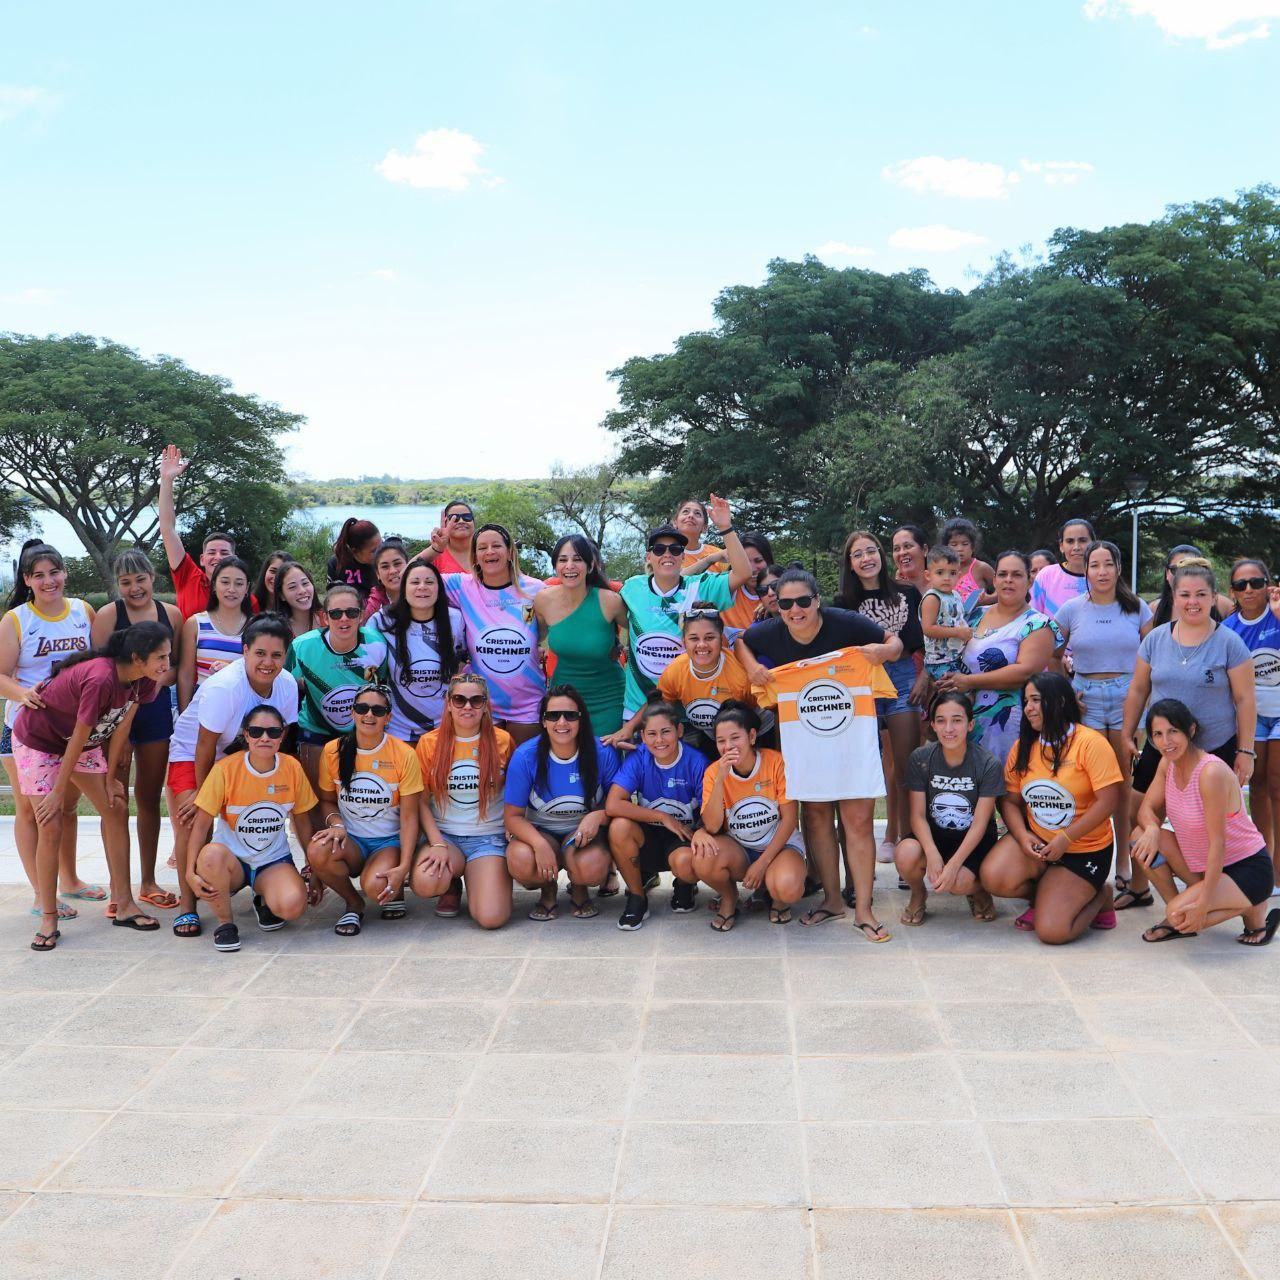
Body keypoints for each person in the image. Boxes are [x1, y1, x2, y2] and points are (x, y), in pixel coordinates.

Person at [738, 567, 901, 932]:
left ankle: (863, 907)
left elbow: (895, 642)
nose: (795, 610)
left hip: (853, 736)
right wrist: (752, 668)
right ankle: (831, 900)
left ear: (817, 600)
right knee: (816, 819)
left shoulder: (846, 623)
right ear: (776, 606)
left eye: (803, 602)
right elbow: (740, 641)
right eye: (785, 603)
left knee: (857, 821)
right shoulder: (770, 632)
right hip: (804, 741)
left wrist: (885, 650)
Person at [13, 622, 171, 949]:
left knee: (115, 808)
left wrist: (111, 777)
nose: (166, 665)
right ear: (137, 657)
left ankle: (124, 904)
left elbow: (121, 726)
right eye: (160, 657)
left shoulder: (145, 681)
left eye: (168, 656)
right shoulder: (101, 678)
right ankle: (48, 916)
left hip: (79, 743)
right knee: (50, 822)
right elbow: (81, 733)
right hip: (40, 741)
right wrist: (57, 793)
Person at [166, 616, 300, 938]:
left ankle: (261, 888)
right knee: (193, 819)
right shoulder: (225, 687)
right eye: (260, 653)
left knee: (257, 814)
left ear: (286, 656)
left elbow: (286, 739)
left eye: (277, 655)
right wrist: (202, 798)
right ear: (244, 651)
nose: (268, 662)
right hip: (193, 754)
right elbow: (204, 745)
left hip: (246, 755)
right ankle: (188, 905)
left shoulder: (287, 685)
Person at [981, 674, 1124, 943]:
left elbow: (1109, 801)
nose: (1028, 708)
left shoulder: (1090, 743)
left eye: (1036, 700)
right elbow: (1010, 802)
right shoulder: (1023, 746)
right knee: (993, 877)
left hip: (1084, 850)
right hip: (1040, 845)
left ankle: (1100, 896)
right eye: (1026, 701)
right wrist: (1023, 837)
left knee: (1053, 932)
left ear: (1058, 701)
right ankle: (1050, 894)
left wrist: (1066, 838)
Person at [0, 540, 101, 918]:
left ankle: (70, 880)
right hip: (26, 729)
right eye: (39, 575)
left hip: (75, 729)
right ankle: (43, 894)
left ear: (65, 573)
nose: (48, 581)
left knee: (69, 806)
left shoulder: (82, 611)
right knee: (32, 812)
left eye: (54, 572)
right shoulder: (16, 620)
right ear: (27, 580)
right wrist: (24, 693)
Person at [1053, 540, 1153, 908]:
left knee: (1124, 785)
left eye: (1107, 564)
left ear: (1118, 568)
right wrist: (1065, 690)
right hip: (1087, 697)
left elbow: (1152, 656)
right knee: (1093, 787)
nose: (1101, 572)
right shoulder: (1071, 609)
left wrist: (1145, 703)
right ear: (1086, 570)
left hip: (1128, 696)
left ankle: (1125, 864)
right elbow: (1052, 652)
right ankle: (1093, 863)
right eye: (1094, 565)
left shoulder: (1138, 609)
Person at [1133, 699, 1278, 946]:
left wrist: (1202, 906)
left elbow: (1218, 844)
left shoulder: (1210, 773)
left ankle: (1252, 903)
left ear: (1191, 730)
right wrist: (1153, 828)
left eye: (1173, 731)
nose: (1165, 742)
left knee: (1179, 914)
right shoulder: (1167, 763)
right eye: (1157, 734)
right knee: (1139, 836)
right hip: (1208, 865)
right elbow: (1146, 808)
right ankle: (1190, 914)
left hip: (1247, 868)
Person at [1122, 562, 1255, 819]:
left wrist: (1246, 751)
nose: (1192, 602)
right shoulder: (1155, 639)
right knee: (1140, 819)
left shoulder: (1230, 643)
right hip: (1160, 745)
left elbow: (1245, 698)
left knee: (1210, 828)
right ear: (1174, 597)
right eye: (1185, 595)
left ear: (1214, 597)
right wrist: (1127, 734)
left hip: (1215, 746)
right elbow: (1138, 690)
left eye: (1201, 594)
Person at [90, 549, 183, 911]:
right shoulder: (108, 615)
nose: (135, 588)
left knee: (147, 798)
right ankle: (119, 891)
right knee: (114, 802)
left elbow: (176, 666)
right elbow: (99, 671)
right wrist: (117, 731)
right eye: (126, 583)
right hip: (115, 713)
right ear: (118, 585)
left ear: (152, 578)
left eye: (140, 580)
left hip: (155, 710)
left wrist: (158, 681)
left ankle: (147, 882)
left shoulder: (170, 614)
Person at [186, 705, 317, 952]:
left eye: (272, 731)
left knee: (293, 906)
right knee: (212, 855)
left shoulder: (292, 767)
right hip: (231, 861)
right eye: (256, 731)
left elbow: (301, 820)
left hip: (272, 860)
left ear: (282, 735)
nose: (264, 738)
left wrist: (315, 867)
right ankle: (225, 924)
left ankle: (263, 897)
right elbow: (201, 823)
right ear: (246, 735)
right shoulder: (226, 769)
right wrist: (189, 872)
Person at [619, 496, 752, 720]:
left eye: (675, 549)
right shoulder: (632, 587)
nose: (667, 554)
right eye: (659, 549)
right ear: (649, 557)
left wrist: (725, 527)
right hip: (638, 709)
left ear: (683, 556)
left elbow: (743, 573)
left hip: (688, 709)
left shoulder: (701, 587)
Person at [837, 530, 927, 857]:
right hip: (863, 683)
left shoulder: (906, 592)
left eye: (871, 551)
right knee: (865, 767)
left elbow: (923, 644)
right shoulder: (842, 603)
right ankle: (869, 844)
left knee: (906, 765)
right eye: (858, 554)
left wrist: (924, 677)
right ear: (849, 563)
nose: (866, 558)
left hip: (904, 677)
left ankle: (906, 841)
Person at [308, 683, 422, 935]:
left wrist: (403, 866)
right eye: (362, 708)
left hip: (388, 841)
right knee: (317, 851)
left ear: (388, 717)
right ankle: (353, 903)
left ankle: (393, 884)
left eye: (377, 711)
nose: (369, 715)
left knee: (374, 887)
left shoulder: (404, 754)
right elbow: (326, 801)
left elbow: (410, 815)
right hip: (351, 840)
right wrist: (336, 825)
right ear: (352, 713)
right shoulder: (333, 751)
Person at [503, 685, 620, 920]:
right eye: (553, 716)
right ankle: (548, 890)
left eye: (571, 715)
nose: (562, 722)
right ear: (543, 722)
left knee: (592, 866)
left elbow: (620, 806)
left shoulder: (602, 753)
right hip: (541, 830)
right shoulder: (526, 756)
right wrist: (538, 843)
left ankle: (580, 887)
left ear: (581, 719)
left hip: (583, 833)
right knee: (520, 860)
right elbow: (512, 817)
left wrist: (597, 816)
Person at [687, 701, 805, 930]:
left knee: (787, 887)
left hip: (778, 847)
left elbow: (790, 819)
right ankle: (730, 899)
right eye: (721, 741)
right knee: (702, 856)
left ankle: (778, 900)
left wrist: (762, 863)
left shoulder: (775, 762)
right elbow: (712, 826)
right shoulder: (713, 772)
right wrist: (720, 780)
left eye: (735, 738)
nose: (728, 746)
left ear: (751, 736)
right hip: (739, 848)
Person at [936, 551, 1062, 767]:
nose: (1008, 580)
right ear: (994, 580)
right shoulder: (974, 615)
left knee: (1007, 789)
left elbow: (1024, 672)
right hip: (964, 718)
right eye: (1002, 574)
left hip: (1009, 722)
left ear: (1029, 580)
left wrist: (968, 682)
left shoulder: (1038, 624)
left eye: (1017, 574)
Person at [423, 523, 545, 742]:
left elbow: (564, 617)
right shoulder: (462, 586)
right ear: (475, 555)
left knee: (524, 771)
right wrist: (436, 549)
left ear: (509, 552)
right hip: (481, 703)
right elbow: (410, 577)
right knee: (489, 773)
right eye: (482, 548)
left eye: (496, 546)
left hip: (528, 703)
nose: (489, 552)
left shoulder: (535, 589)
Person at [413, 673, 515, 929]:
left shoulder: (502, 741)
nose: (467, 706)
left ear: (485, 704)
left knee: (492, 918)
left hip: (488, 837)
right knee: (426, 882)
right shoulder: (429, 743)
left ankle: (477, 876)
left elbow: (514, 794)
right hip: (446, 837)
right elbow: (421, 802)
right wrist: (436, 843)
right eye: (459, 699)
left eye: (475, 700)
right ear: (448, 703)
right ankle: (452, 883)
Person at [896, 691, 1003, 925]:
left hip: (974, 838)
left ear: (970, 724)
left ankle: (978, 889)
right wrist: (932, 854)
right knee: (905, 853)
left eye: (957, 720)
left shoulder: (987, 763)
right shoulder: (921, 758)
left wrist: (954, 865)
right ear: (932, 725)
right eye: (941, 721)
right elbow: (917, 815)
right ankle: (918, 894)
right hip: (936, 834)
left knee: (958, 883)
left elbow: (980, 823)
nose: (949, 729)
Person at [605, 702, 707, 928]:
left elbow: (709, 812)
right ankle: (637, 897)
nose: (659, 740)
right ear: (642, 735)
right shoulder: (639, 757)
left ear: (679, 731)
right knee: (619, 827)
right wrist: (662, 817)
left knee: (688, 864)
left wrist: (699, 833)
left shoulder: (696, 761)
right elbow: (613, 804)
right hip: (648, 834)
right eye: (651, 734)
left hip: (682, 836)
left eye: (665, 732)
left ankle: (684, 883)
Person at [286, 584, 389, 789]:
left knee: (358, 793)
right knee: (315, 795)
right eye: (336, 613)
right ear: (325, 618)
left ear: (361, 616)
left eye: (351, 612)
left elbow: (381, 684)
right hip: (316, 729)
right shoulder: (302, 647)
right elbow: (279, 681)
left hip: (361, 730)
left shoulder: (375, 642)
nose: (344, 619)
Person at [535, 534, 628, 736]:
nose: (570, 566)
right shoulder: (543, 599)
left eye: (577, 559)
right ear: (555, 566)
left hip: (608, 699)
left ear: (590, 565)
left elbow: (640, 628)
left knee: (604, 760)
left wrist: (625, 647)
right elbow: (534, 636)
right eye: (563, 560)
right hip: (563, 699)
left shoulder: (610, 600)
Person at [1223, 558, 1280, 874]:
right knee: (1257, 784)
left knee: (1277, 783)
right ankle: (1265, 860)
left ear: (1268, 585)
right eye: (1241, 584)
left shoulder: (1278, 615)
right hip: (1253, 715)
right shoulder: (1229, 629)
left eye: (1256, 582)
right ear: (1232, 591)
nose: (1249, 590)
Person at [370, 560, 466, 744]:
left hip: (445, 729)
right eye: (415, 582)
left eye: (429, 582)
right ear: (404, 588)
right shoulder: (382, 621)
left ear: (439, 589)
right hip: (399, 731)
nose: (422, 587)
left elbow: (463, 660)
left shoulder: (455, 619)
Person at [157, 445, 243, 620]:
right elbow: (167, 529)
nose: (217, 557)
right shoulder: (188, 577)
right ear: (202, 559)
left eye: (224, 553)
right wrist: (166, 480)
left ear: (235, 559)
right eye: (211, 552)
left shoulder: (245, 596)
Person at [177, 556, 253, 708]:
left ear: (247, 588)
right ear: (214, 585)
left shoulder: (256, 626)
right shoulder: (195, 624)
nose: (231, 589)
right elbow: (185, 675)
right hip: (203, 704)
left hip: (243, 706)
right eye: (225, 582)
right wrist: (184, 713)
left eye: (239, 584)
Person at [919, 546, 971, 681]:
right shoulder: (932, 598)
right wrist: (957, 632)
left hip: (956, 657)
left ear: (959, 576)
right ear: (928, 575)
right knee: (956, 695)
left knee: (969, 692)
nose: (947, 578)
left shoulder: (956, 595)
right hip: (939, 662)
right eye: (940, 572)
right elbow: (928, 629)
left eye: (952, 573)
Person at [1150, 545, 1234, 627]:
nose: (1184, 574)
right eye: (1176, 569)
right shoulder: (1154, 610)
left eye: (1191, 568)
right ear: (1167, 573)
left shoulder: (1223, 605)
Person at [1029, 517, 1094, 618]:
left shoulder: (1103, 576)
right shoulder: (1046, 575)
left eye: (1082, 540)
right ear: (1061, 546)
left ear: (1093, 543)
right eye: (1070, 541)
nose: (1076, 547)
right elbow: (1031, 617)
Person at [721, 534, 776, 631]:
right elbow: (686, 583)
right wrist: (710, 559)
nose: (752, 569)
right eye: (744, 561)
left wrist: (776, 605)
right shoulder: (723, 588)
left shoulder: (785, 595)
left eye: (758, 561)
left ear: (768, 560)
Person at [941, 517, 995, 614]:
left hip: (980, 622)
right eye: (954, 544)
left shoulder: (981, 568)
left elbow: (1003, 589)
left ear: (973, 546)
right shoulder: (941, 571)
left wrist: (987, 599)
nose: (960, 549)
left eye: (965, 544)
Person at [266, 560, 325, 640]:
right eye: (292, 587)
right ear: (282, 595)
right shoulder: (276, 630)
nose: (302, 591)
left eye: (305, 583)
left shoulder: (331, 618)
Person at [326, 518, 381, 598]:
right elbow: (331, 596)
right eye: (374, 551)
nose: (380, 553)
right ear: (355, 551)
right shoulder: (337, 563)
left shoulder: (383, 563)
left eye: (381, 545)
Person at [674, 498, 728, 574]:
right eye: (685, 511)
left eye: (697, 513)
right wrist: (708, 560)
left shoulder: (718, 554)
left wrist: (725, 527)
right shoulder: (662, 552)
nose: (691, 516)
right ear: (675, 523)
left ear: (704, 527)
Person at [361, 538, 410, 621]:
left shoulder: (422, 593)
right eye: (385, 566)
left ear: (408, 565)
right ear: (377, 574)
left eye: (397, 563)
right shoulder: (373, 606)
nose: (393, 571)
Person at [426, 500, 477, 575]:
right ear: (445, 523)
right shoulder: (436, 556)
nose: (461, 521)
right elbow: (407, 574)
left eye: (467, 517)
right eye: (454, 518)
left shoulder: (487, 550)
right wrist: (435, 549)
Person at [251, 552, 293, 617]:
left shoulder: (294, 611)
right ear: (265, 571)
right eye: (273, 571)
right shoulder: (249, 603)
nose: (276, 578)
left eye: (283, 574)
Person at [890, 524, 930, 593]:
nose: (902, 553)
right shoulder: (889, 594)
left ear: (925, 550)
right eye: (896, 549)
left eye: (907, 546)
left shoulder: (946, 586)